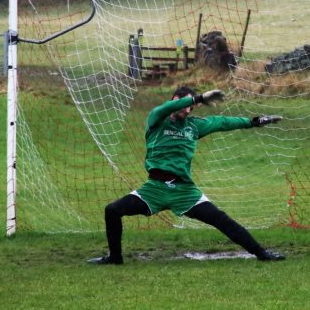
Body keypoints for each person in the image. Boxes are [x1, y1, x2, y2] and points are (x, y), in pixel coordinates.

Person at [88, 86, 285, 264]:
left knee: (221, 220)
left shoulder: (193, 126)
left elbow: (223, 122)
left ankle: (262, 254)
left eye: (191, 107)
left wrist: (254, 122)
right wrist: (198, 97)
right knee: (112, 210)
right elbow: (165, 108)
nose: (188, 110)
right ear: (175, 100)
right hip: (154, 189)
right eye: (185, 105)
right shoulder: (156, 119)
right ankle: (115, 258)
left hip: (185, 191)